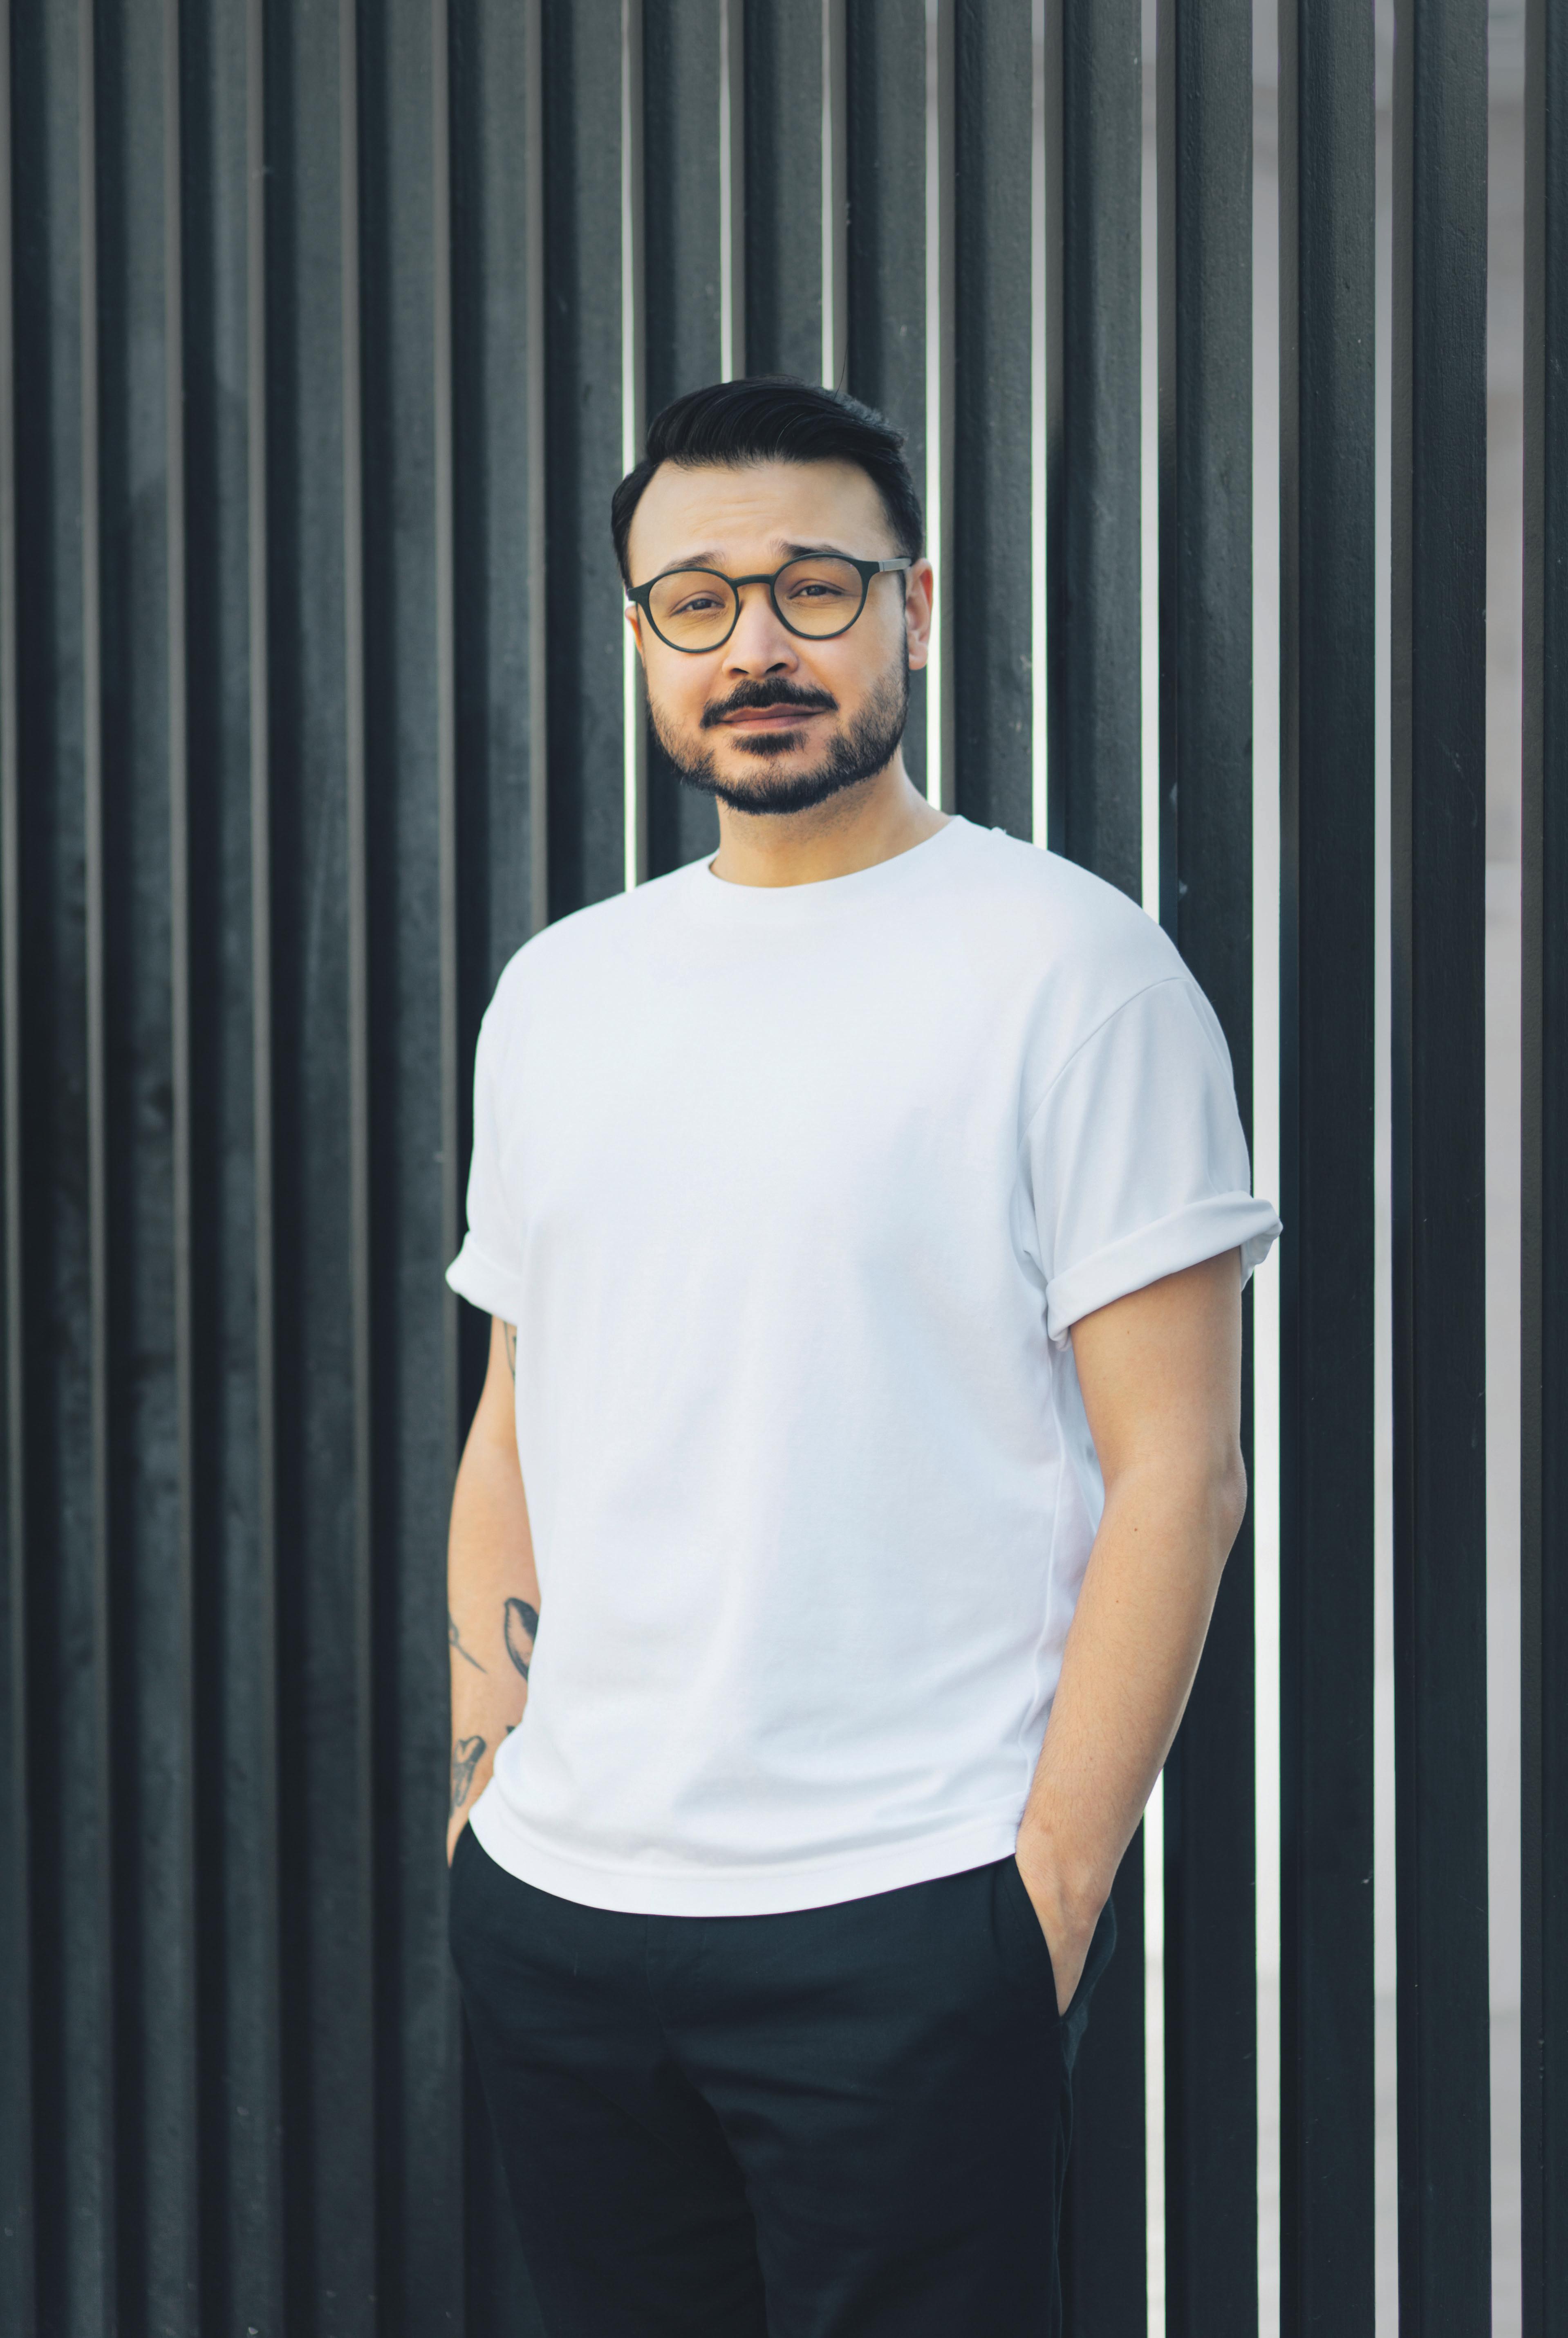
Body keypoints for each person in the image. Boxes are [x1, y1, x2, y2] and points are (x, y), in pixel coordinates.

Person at [443, 375, 1280, 2337]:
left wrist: (1038, 1900)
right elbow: (514, 1421)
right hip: (565, 1916)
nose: (754, 644)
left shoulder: (1070, 971)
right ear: (639, 635)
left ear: (909, 605)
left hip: (902, 1926)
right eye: (696, 600)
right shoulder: (559, 991)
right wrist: (479, 1800)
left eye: (811, 588)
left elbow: (1180, 1468)